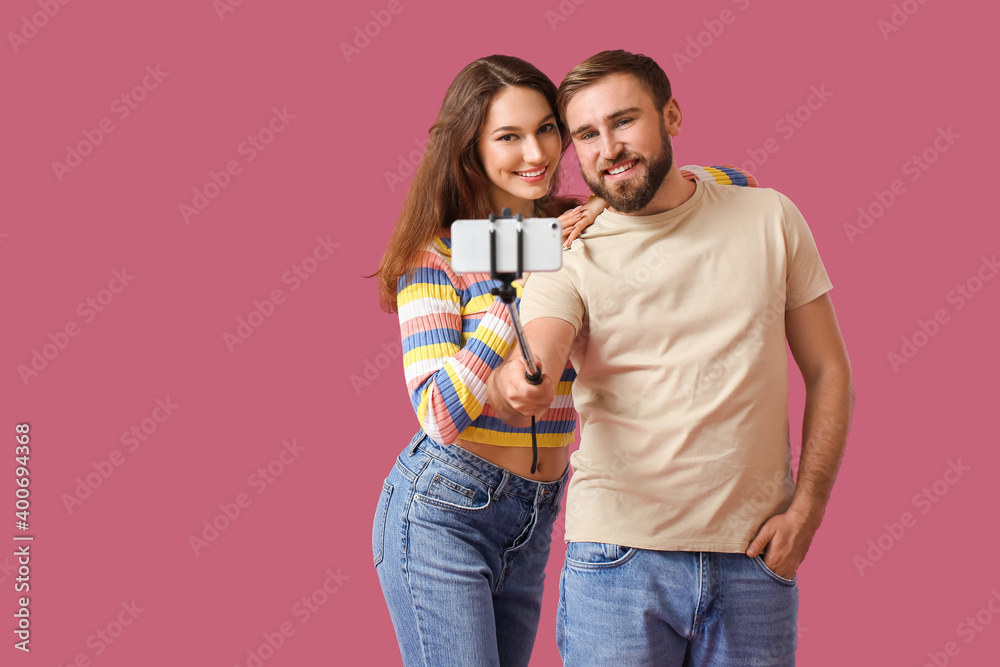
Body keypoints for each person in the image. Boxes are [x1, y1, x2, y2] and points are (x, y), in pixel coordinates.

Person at [371, 54, 759, 666]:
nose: (536, 153)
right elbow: (440, 413)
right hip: (444, 510)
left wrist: (608, 201)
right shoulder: (440, 253)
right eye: (508, 136)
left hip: (536, 514)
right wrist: (517, 287)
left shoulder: (577, 225)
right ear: (470, 149)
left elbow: (739, 181)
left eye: (547, 129)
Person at [489, 50, 855, 666]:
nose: (608, 148)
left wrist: (809, 510)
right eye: (586, 134)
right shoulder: (569, 251)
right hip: (618, 562)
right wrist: (521, 381)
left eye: (624, 121)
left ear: (672, 115)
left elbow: (829, 371)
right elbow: (541, 348)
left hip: (756, 560)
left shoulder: (770, 217)